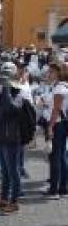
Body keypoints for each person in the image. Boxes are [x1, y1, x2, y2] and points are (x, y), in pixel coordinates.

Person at [0, 63, 29, 214]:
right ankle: (4, 198)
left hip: (12, 139)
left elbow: (11, 108)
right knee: (5, 171)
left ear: (14, 75)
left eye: (8, 75)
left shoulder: (20, 93)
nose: (5, 78)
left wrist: (7, 88)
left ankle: (14, 201)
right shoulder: (2, 95)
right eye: (3, 74)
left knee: (13, 171)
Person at [47, 61, 68, 199]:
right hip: (63, 122)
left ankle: (55, 189)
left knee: (56, 156)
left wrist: (50, 127)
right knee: (61, 156)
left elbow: (56, 109)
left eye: (51, 72)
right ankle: (63, 188)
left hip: (59, 123)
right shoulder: (63, 87)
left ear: (58, 73)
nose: (49, 74)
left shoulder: (59, 89)